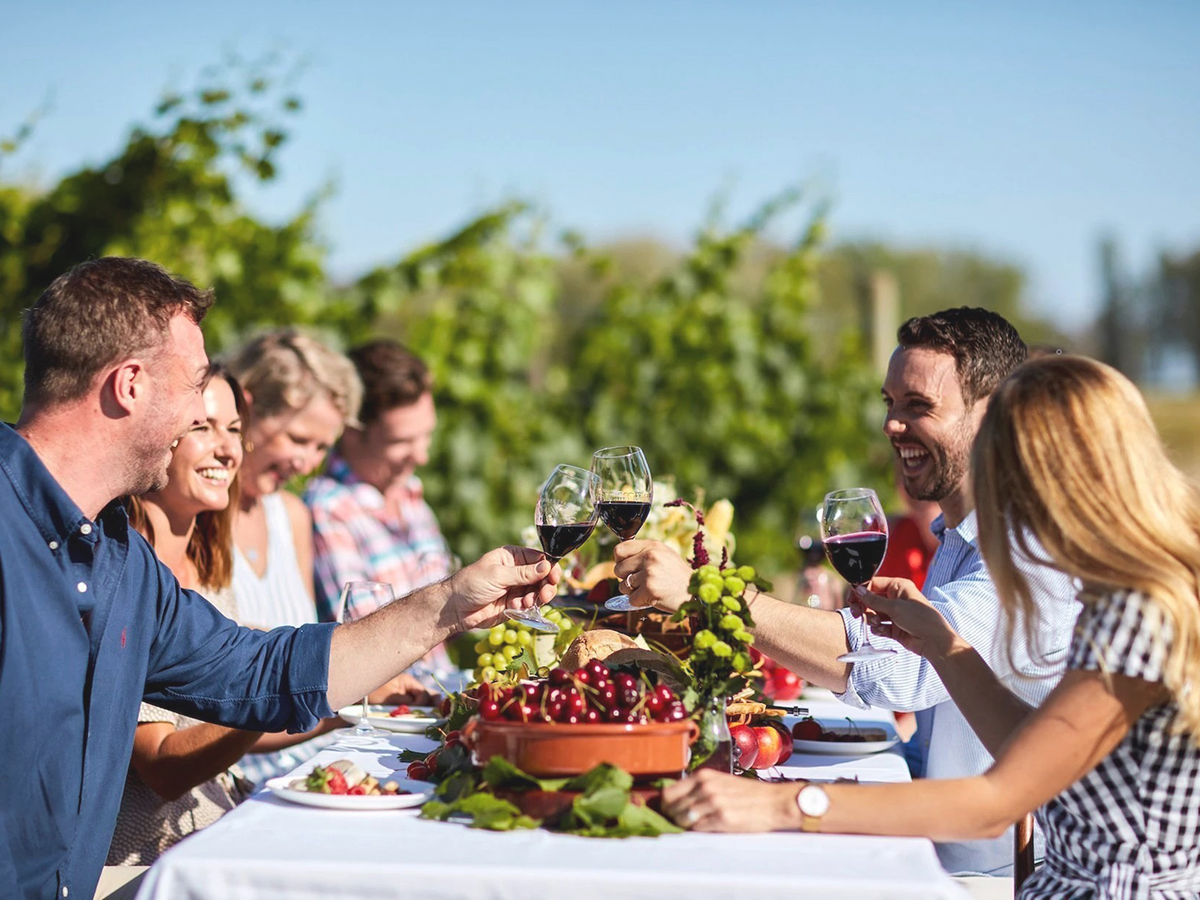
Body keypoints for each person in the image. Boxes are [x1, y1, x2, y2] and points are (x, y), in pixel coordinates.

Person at [0, 257, 558, 899]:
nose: (196, 422)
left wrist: (453, 602)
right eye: (193, 390)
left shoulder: (122, 562)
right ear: (129, 385)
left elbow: (260, 673)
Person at [660, 356, 1200, 898]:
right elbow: (1028, 748)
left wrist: (785, 804)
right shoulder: (1129, 592)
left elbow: (995, 804)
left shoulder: (1142, 613)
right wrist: (941, 644)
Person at [614, 307, 1078, 875]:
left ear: (991, 415)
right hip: (935, 848)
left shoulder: (1027, 553)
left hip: (982, 875)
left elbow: (898, 672)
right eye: (890, 403)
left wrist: (707, 594)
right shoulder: (957, 540)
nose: (891, 425)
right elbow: (933, 743)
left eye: (919, 406)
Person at [106, 364, 343, 866]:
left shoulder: (208, 566)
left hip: (218, 836)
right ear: (157, 435)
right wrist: (282, 684)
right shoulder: (124, 568)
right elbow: (164, 767)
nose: (228, 449)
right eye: (203, 427)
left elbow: (226, 724)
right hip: (143, 866)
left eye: (234, 429)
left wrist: (341, 699)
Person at [304, 339, 454, 679]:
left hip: (437, 693)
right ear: (353, 432)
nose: (422, 456)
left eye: (426, 436)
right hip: (388, 713)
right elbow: (364, 642)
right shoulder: (330, 510)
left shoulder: (411, 497)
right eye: (402, 442)